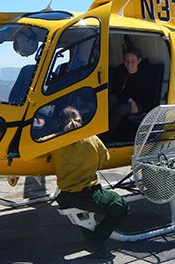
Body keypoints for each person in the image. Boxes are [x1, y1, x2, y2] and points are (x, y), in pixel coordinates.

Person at [52, 106, 129, 258]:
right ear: (80, 119)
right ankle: (95, 241)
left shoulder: (53, 141)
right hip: (86, 195)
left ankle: (89, 233)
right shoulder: (91, 138)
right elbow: (104, 161)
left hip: (63, 195)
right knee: (121, 207)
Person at [108, 46, 151, 134]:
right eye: (127, 61)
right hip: (124, 99)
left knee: (120, 109)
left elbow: (146, 96)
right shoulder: (121, 70)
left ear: (139, 61)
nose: (129, 64)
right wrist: (129, 100)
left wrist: (139, 107)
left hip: (137, 103)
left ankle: (106, 135)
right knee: (110, 100)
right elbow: (116, 90)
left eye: (133, 61)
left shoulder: (144, 75)